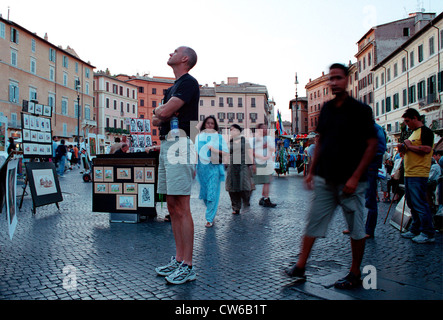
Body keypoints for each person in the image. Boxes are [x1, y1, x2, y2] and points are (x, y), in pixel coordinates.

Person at [286, 63, 378, 289]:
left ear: (347, 79)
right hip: (326, 179)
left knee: (356, 229)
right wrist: (311, 172)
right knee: (313, 223)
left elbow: (371, 144)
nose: (334, 82)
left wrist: (356, 177)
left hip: (350, 182)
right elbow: (320, 141)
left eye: (338, 78)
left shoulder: (361, 111)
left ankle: (355, 272)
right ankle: (300, 266)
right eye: (331, 79)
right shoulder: (326, 109)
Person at [152, 46, 199, 285]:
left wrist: (165, 111)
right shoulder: (172, 88)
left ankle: (188, 265)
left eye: (175, 51)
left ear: (184, 59)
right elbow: (157, 117)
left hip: (181, 141)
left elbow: (166, 111)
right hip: (168, 143)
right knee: (171, 205)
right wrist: (162, 112)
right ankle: (179, 259)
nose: (169, 52)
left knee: (182, 205)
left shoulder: (189, 83)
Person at [399, 108, 435, 244]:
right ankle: (416, 229)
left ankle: (427, 232)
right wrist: (404, 147)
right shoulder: (413, 133)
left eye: (408, 121)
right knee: (412, 203)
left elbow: (427, 149)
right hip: (410, 173)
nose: (407, 124)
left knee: (419, 203)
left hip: (419, 173)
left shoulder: (426, 131)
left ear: (415, 118)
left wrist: (408, 146)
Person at [196, 116, 228, 227]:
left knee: (212, 193)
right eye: (208, 123)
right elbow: (195, 152)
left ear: (215, 126)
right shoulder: (199, 137)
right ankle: (211, 212)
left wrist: (213, 149)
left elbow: (225, 152)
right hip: (201, 169)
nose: (210, 125)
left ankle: (209, 218)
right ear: (204, 124)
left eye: (212, 123)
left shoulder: (219, 137)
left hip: (214, 168)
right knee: (205, 195)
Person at [252, 123, 277, 208]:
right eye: (263, 128)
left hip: (267, 163)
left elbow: (273, 148)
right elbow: (252, 152)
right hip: (259, 162)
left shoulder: (269, 138)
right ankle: (262, 199)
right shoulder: (255, 139)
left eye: (266, 128)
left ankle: (265, 198)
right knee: (254, 182)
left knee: (267, 182)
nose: (265, 130)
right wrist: (253, 164)